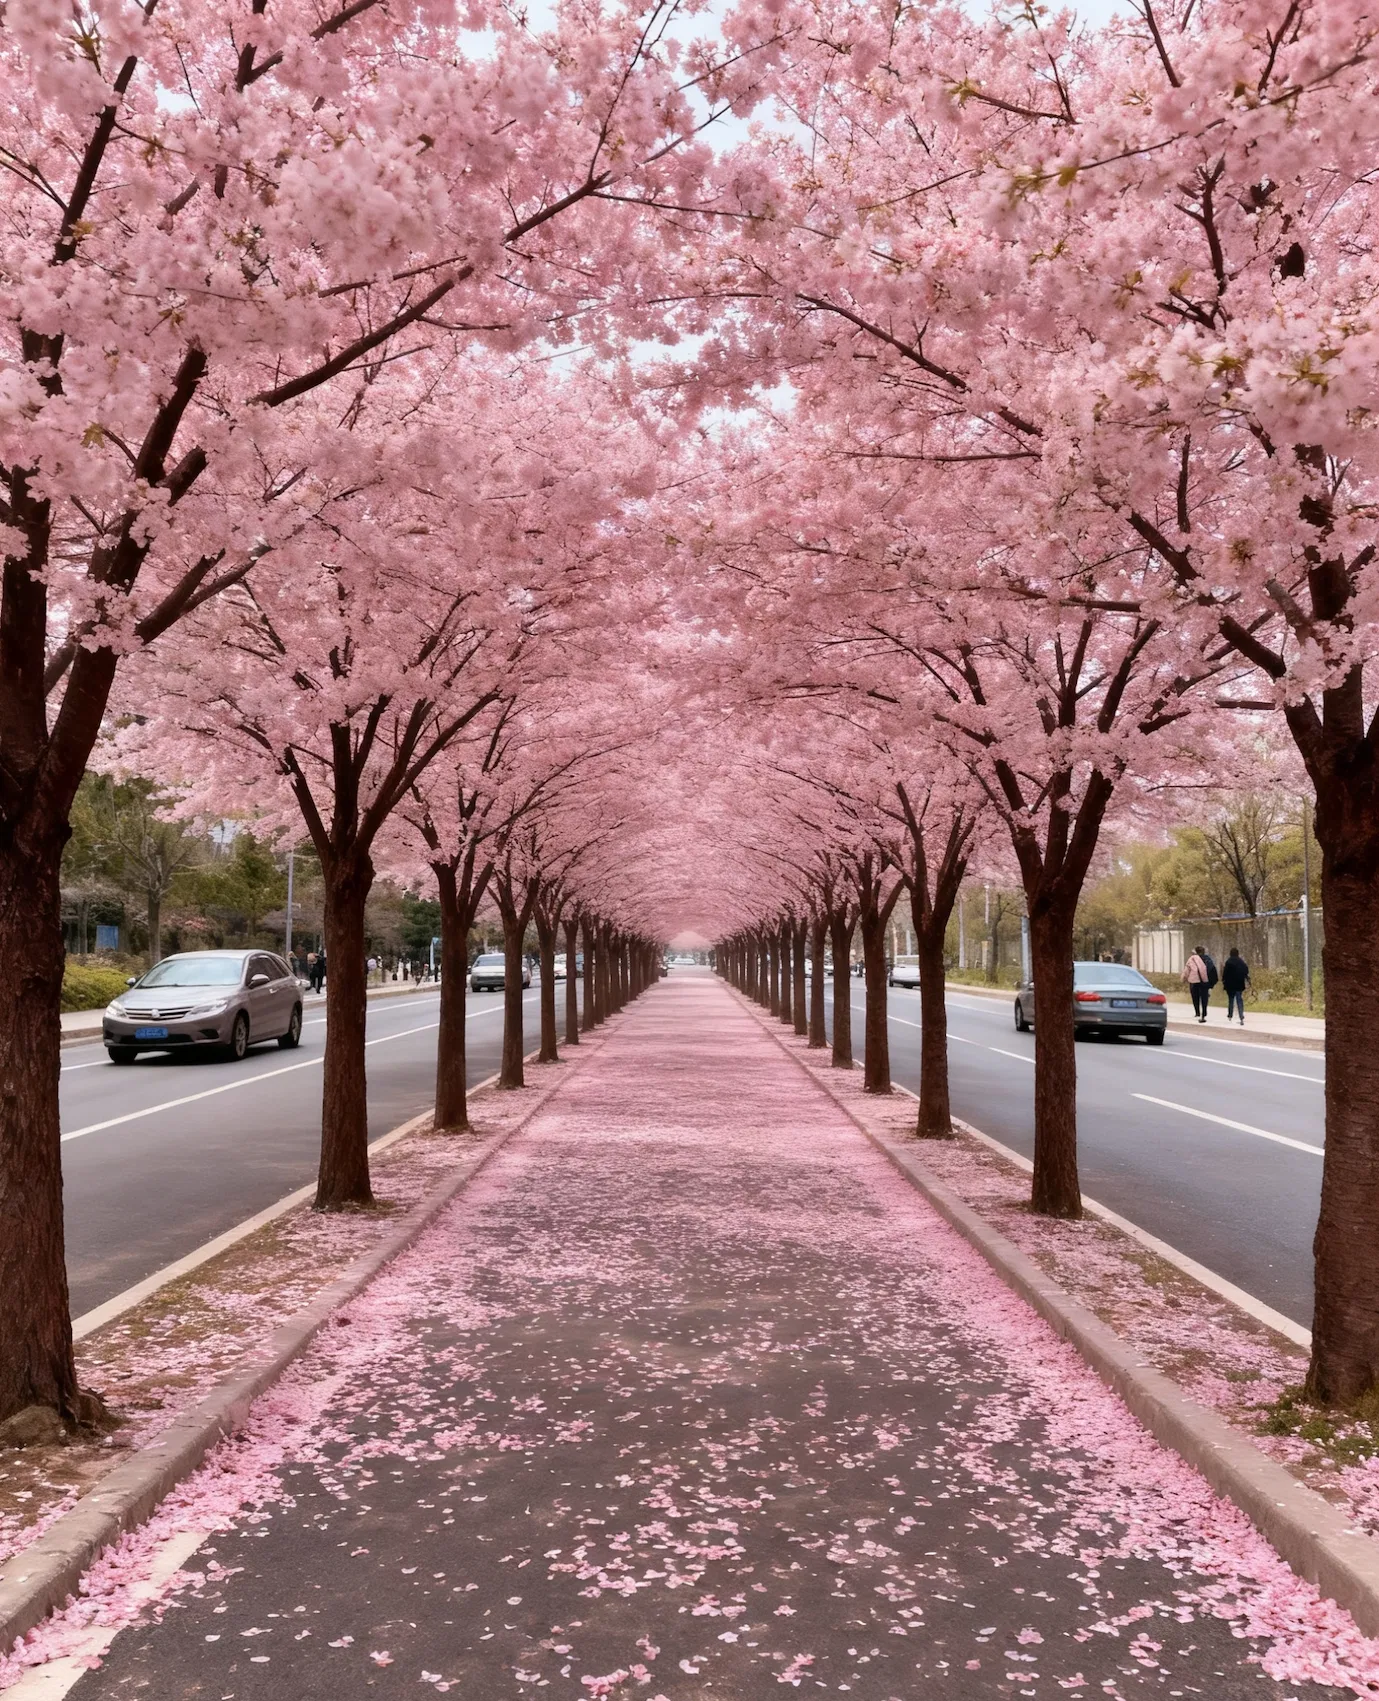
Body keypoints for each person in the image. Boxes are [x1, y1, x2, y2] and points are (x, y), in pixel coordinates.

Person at [1182, 946, 1211, 1022]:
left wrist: (1184, 978)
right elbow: (1210, 969)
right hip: (1203, 980)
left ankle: (1197, 1012)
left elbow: (1187, 970)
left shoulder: (1191, 959)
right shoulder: (1207, 959)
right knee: (1204, 997)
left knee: (1195, 997)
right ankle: (1204, 1011)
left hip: (1193, 981)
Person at [1221, 947, 1250, 1024]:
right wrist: (1247, 979)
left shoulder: (1228, 962)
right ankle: (1241, 1015)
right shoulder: (1241, 962)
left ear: (1230, 954)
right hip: (1239, 983)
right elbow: (1246, 971)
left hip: (1230, 984)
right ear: (1238, 954)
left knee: (1231, 999)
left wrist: (1223, 981)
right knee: (1239, 999)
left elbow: (1225, 973)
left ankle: (1230, 1015)